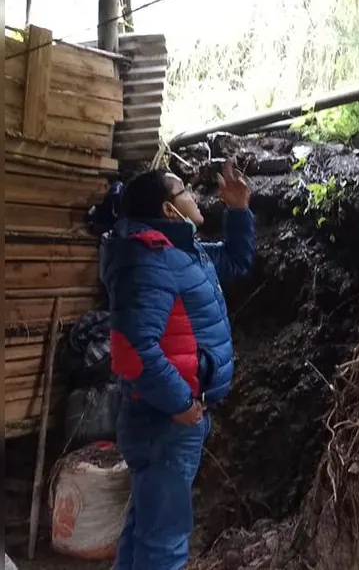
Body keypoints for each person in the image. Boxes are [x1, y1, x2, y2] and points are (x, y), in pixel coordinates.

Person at [100, 161, 254, 570]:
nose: (194, 195)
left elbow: (237, 263)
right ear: (170, 210)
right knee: (164, 544)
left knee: (145, 529)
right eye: (183, 189)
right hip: (164, 420)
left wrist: (238, 210)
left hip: (167, 417)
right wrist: (180, 403)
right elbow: (132, 349)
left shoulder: (183, 253)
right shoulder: (149, 259)